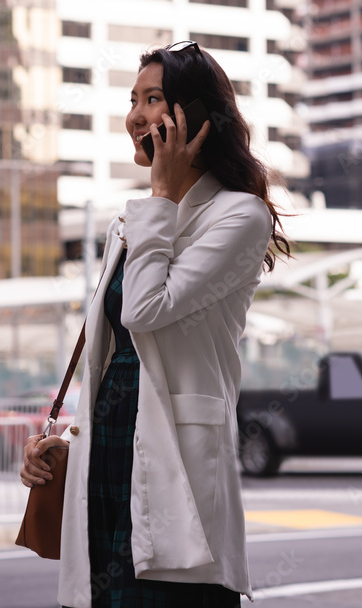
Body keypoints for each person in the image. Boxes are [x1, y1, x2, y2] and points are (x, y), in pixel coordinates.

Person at [20, 40, 290, 608]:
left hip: (177, 461)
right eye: (133, 100)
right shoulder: (130, 222)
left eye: (153, 99)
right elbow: (112, 351)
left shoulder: (240, 215)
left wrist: (162, 196)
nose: (136, 116)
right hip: (111, 444)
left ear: (194, 116)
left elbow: (144, 310)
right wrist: (69, 442)